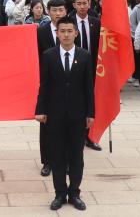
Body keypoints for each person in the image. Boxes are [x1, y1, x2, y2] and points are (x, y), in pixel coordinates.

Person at [35, 16, 94, 211]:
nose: (66, 35)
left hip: (78, 115)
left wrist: (91, 113)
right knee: (57, 156)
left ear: (76, 33)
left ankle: (74, 192)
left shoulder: (85, 56)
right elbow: (44, 85)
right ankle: (59, 193)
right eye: (62, 31)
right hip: (55, 114)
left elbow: (89, 88)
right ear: (57, 33)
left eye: (70, 31)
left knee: (77, 156)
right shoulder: (48, 55)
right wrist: (40, 109)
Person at [36, 0, 67, 176]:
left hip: (69, 83)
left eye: (61, 10)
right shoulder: (41, 32)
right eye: (54, 10)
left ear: (66, 11)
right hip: (48, 84)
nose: (58, 13)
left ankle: (65, 160)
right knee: (46, 124)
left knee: (67, 125)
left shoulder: (71, 30)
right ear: (48, 12)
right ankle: (47, 161)